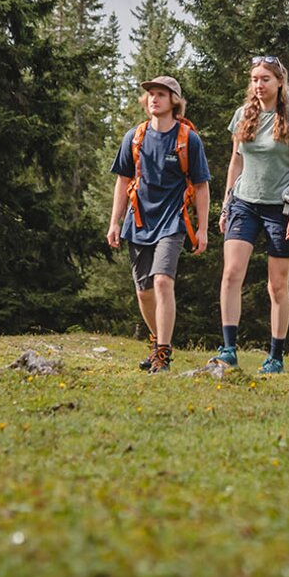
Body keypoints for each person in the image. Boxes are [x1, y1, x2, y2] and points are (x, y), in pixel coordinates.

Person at [214, 56, 289, 374]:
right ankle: (228, 350)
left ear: (279, 82)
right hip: (244, 202)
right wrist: (227, 203)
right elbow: (236, 162)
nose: (258, 85)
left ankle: (276, 356)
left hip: (281, 208)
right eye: (255, 79)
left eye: (265, 79)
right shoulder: (243, 116)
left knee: (277, 285)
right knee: (231, 274)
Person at [107, 75, 210, 373]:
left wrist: (202, 228)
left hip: (172, 220)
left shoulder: (187, 139)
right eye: (151, 94)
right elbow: (123, 180)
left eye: (161, 94)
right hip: (138, 221)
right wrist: (115, 222)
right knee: (144, 291)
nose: (154, 98)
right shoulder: (134, 137)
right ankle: (156, 343)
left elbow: (201, 186)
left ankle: (163, 356)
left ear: (174, 101)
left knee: (163, 281)